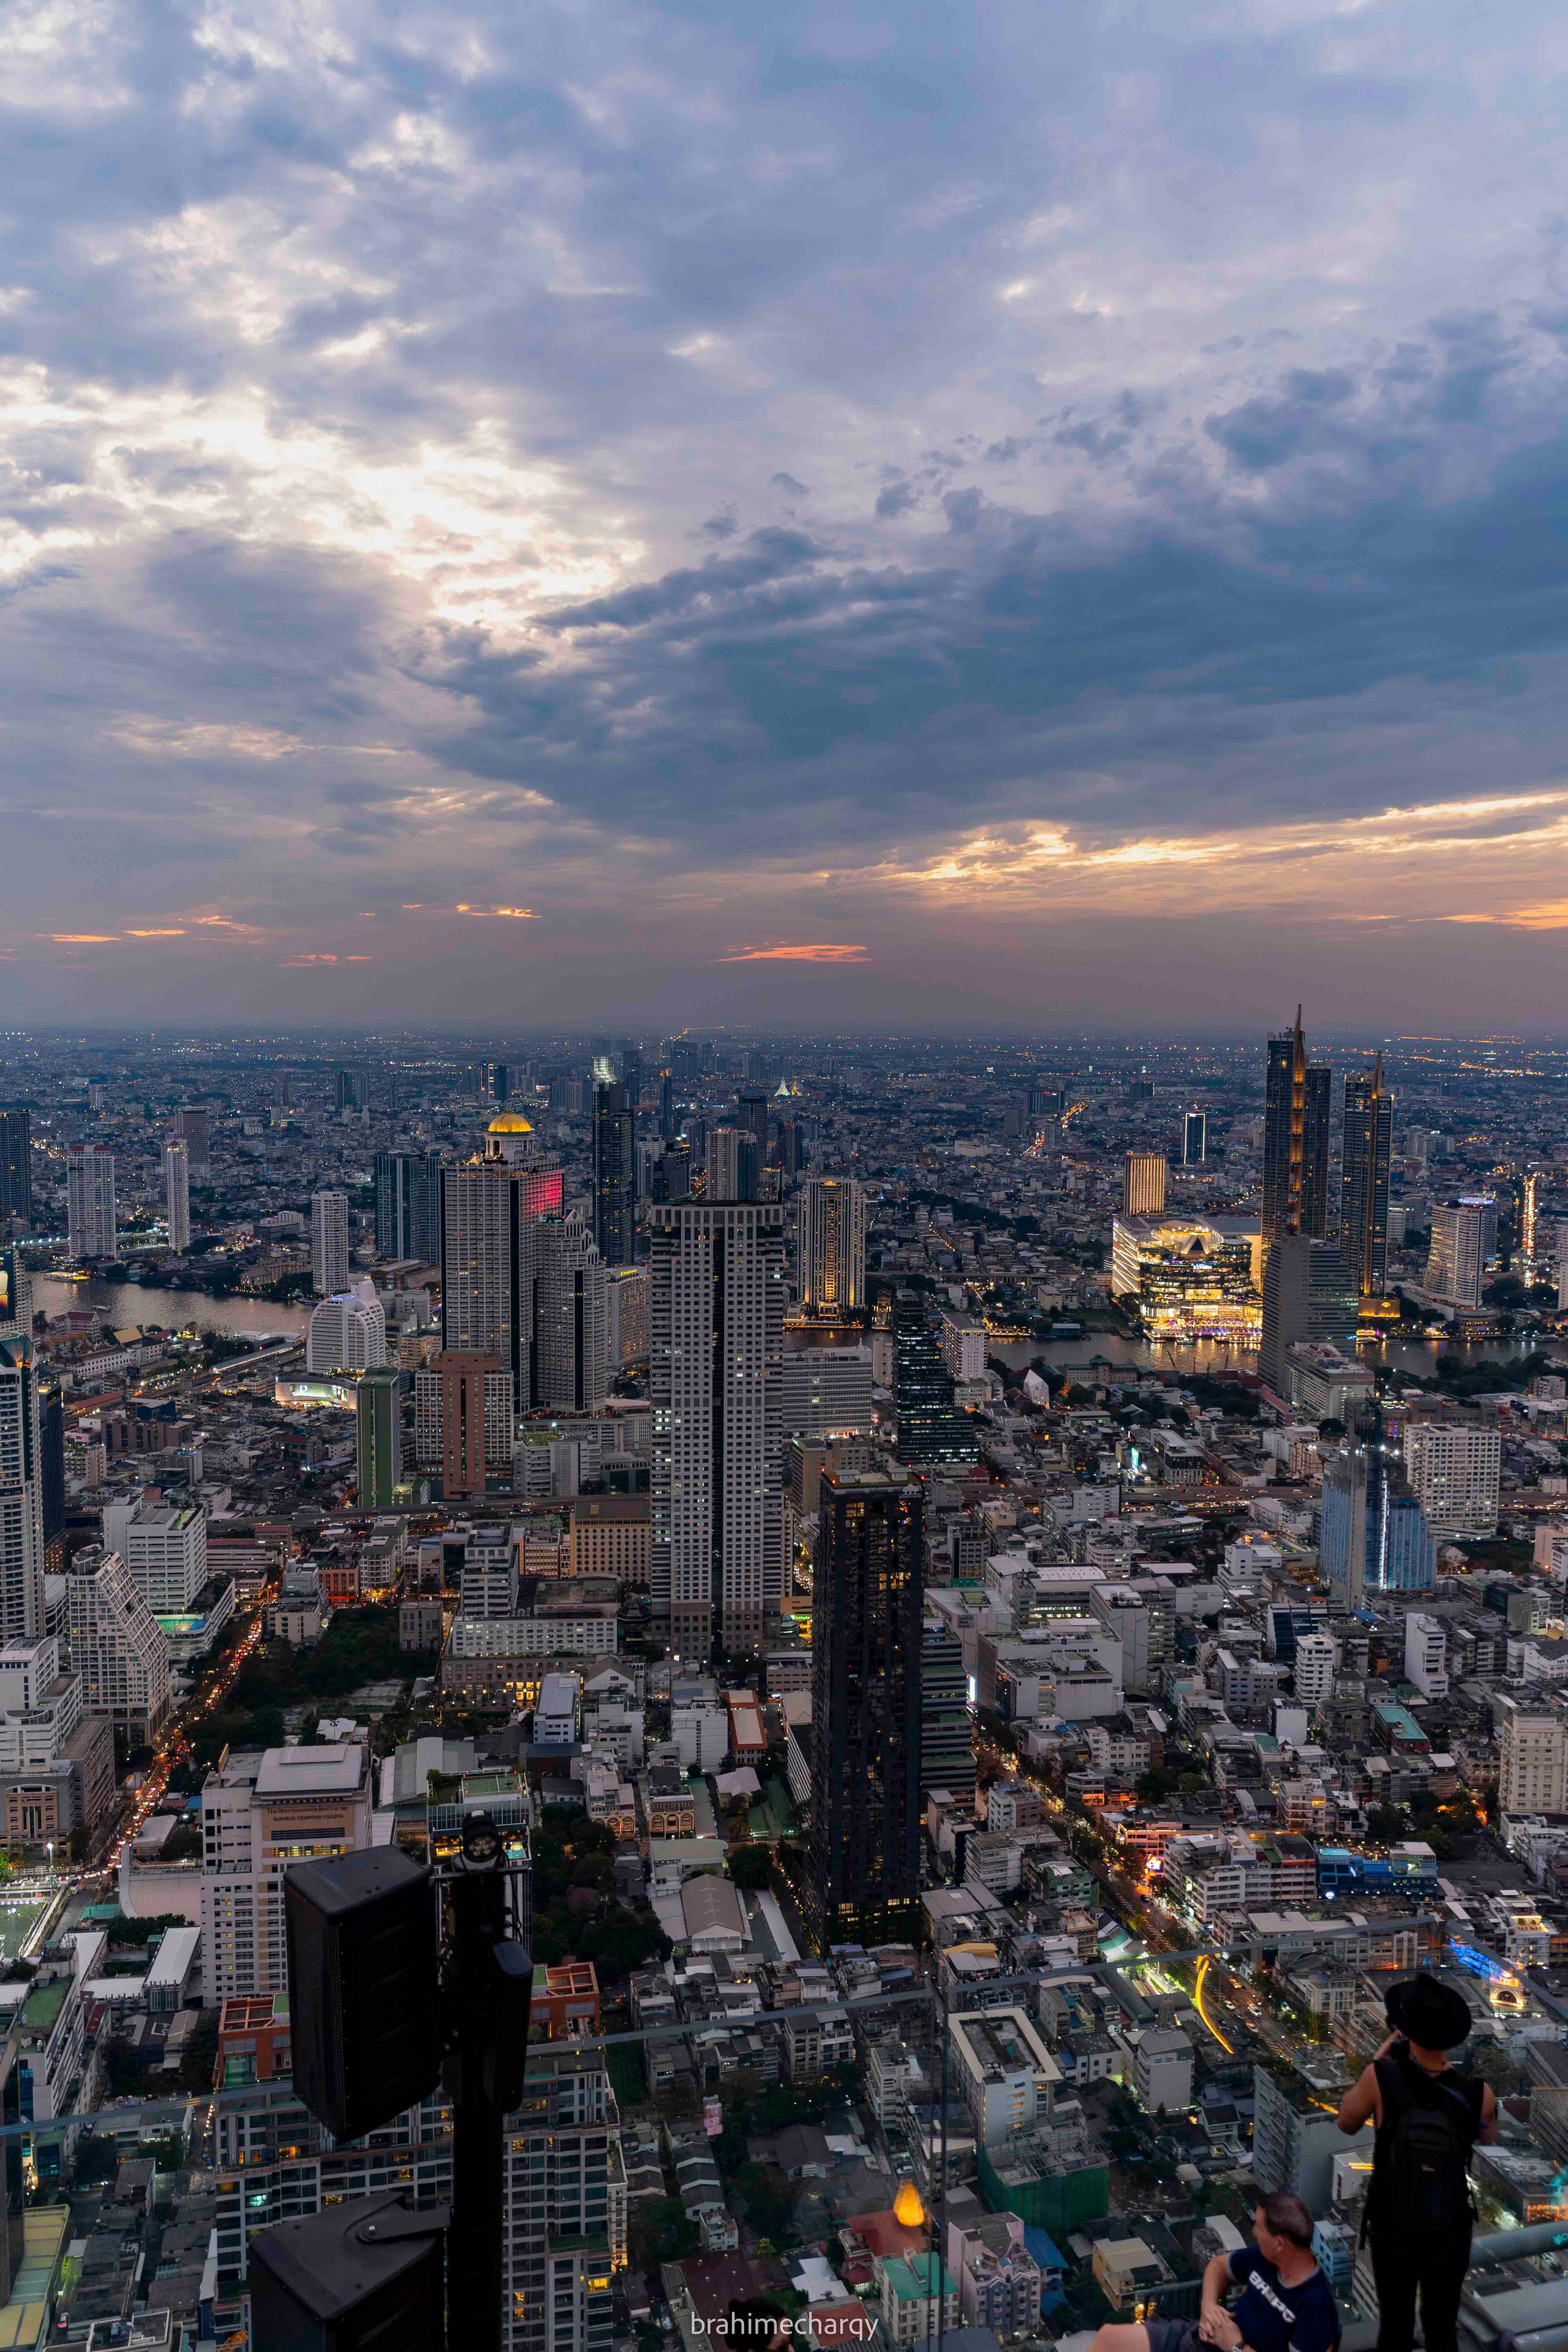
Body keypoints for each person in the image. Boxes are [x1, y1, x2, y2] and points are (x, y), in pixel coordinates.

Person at [1335, 1970, 1497, 2352]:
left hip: (1393, 2223)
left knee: (1395, 2326)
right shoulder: (1478, 2092)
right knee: (1442, 2326)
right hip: (1449, 2224)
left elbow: (1346, 2123)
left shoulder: (1382, 2078)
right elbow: (1487, 2136)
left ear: (1406, 2030)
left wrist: (1377, 2063)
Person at [1085, 2192, 1339, 2352]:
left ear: (1280, 2243)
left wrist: (1235, 2345)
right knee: (1109, 2338)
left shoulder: (1315, 2307)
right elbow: (1218, 2266)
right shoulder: (1266, 2260)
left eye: (1259, 2228)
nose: (1254, 2233)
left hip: (1226, 2345)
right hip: (1201, 2337)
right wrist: (1208, 2306)